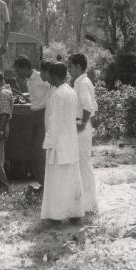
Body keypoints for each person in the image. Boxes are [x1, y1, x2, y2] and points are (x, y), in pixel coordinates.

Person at [41, 62, 84, 223]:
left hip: (59, 143)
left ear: (54, 76)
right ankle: (74, 213)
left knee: (58, 180)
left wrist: (48, 143)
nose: (48, 79)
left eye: (49, 75)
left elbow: (55, 122)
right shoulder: (71, 91)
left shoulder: (59, 94)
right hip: (70, 142)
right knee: (71, 179)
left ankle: (56, 216)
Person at [68, 53, 98, 213]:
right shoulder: (80, 82)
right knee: (80, 165)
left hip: (81, 125)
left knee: (84, 165)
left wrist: (83, 123)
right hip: (80, 124)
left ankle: (89, 205)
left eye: (70, 66)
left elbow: (88, 106)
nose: (69, 69)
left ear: (79, 67)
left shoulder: (82, 83)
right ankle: (84, 203)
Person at [13, 56, 50, 186]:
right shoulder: (29, 80)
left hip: (43, 114)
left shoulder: (40, 77)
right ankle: (42, 183)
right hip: (34, 115)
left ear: (25, 68)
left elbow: (53, 87)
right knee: (32, 152)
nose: (17, 74)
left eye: (18, 71)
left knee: (38, 152)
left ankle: (46, 184)